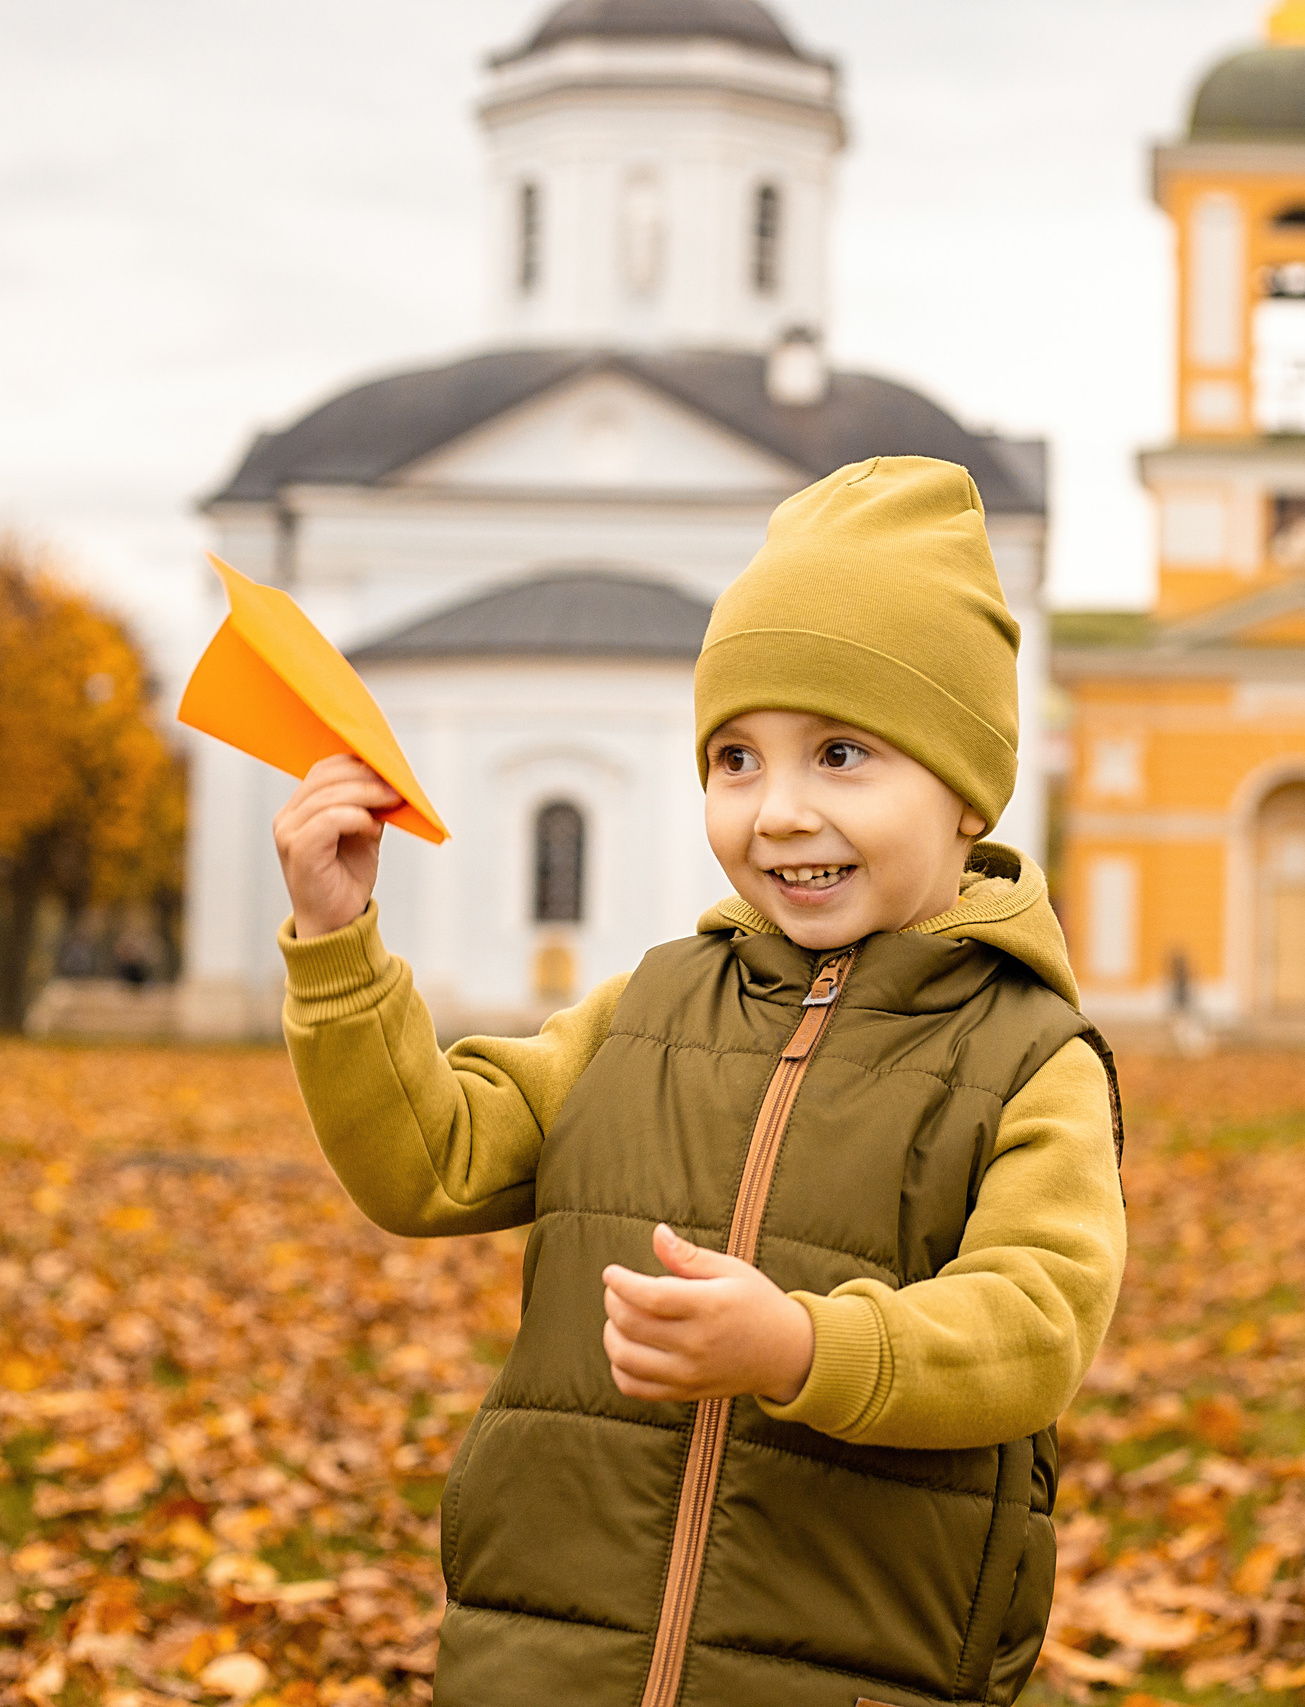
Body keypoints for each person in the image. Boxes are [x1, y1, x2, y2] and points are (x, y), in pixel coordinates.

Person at [271, 457, 1124, 1705]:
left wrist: (800, 1345)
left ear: (964, 794)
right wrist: (341, 947)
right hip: (557, 1648)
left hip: (849, 1658)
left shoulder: (1025, 1058)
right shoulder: (647, 1009)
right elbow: (430, 1161)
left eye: (841, 754)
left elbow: (1033, 1327)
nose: (776, 812)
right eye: (735, 759)